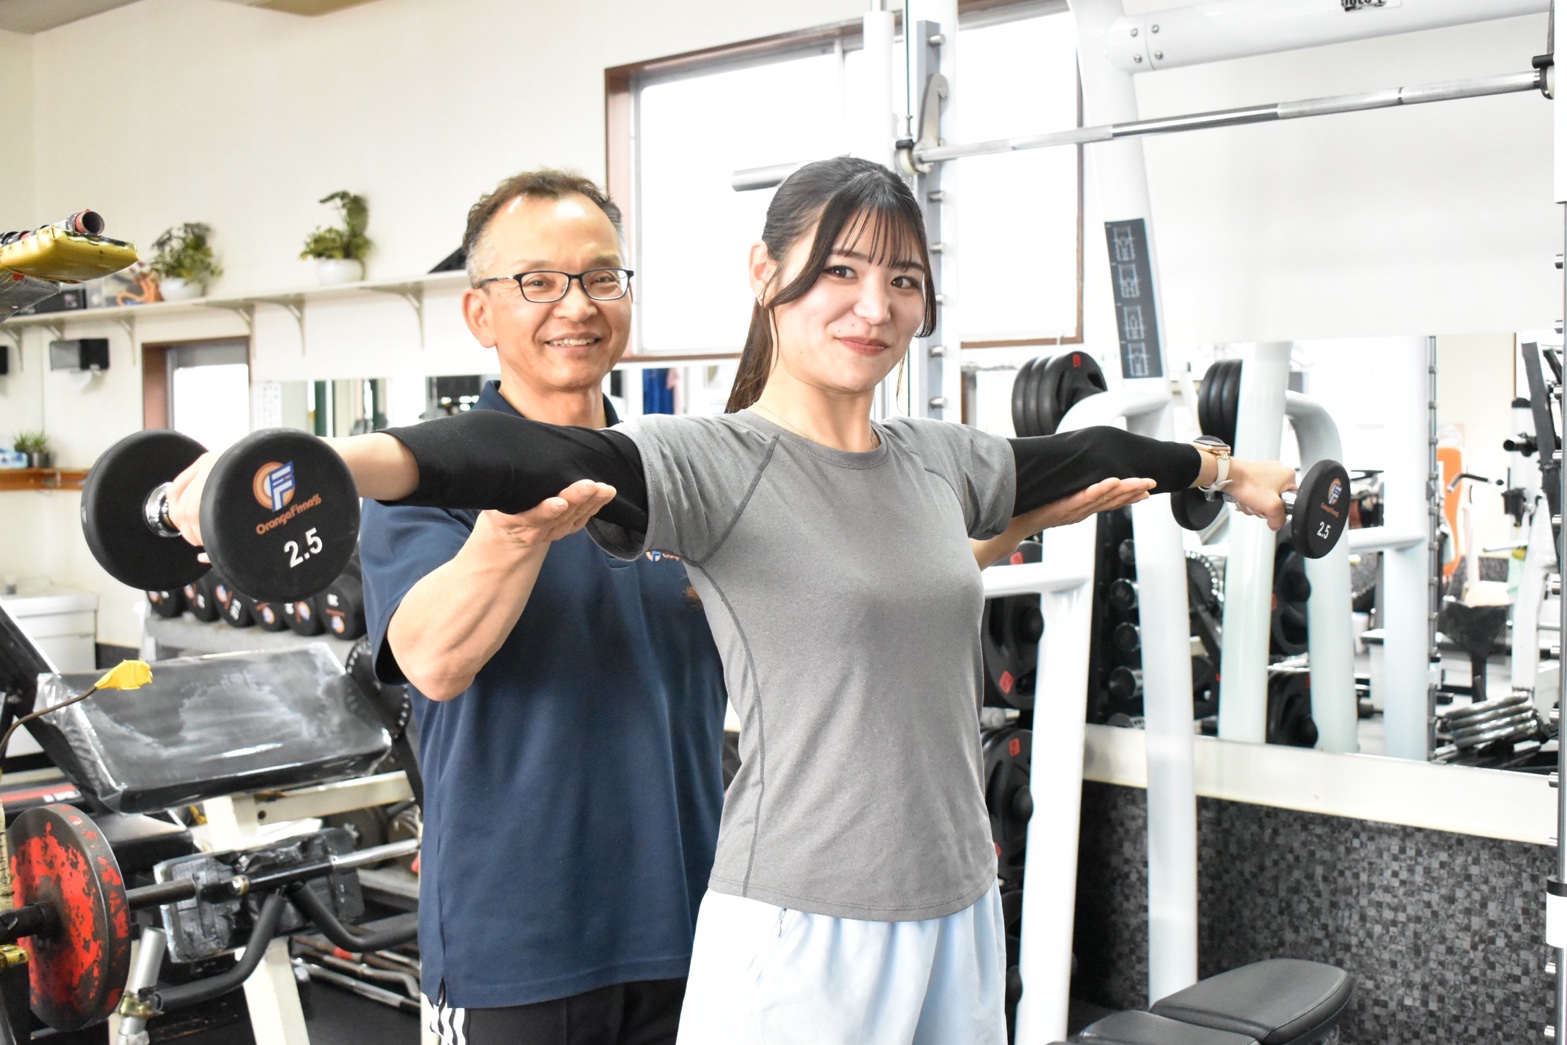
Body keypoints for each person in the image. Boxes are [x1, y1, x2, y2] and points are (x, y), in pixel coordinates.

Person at [165, 157, 1291, 1043]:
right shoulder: (610, 472)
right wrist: (306, 469)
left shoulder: (691, 467)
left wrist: (1214, 469)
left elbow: (849, 580)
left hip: (687, 902)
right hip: (526, 929)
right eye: (540, 281)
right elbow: (435, 655)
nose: (575, 305)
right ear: (480, 311)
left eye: (600, 277)